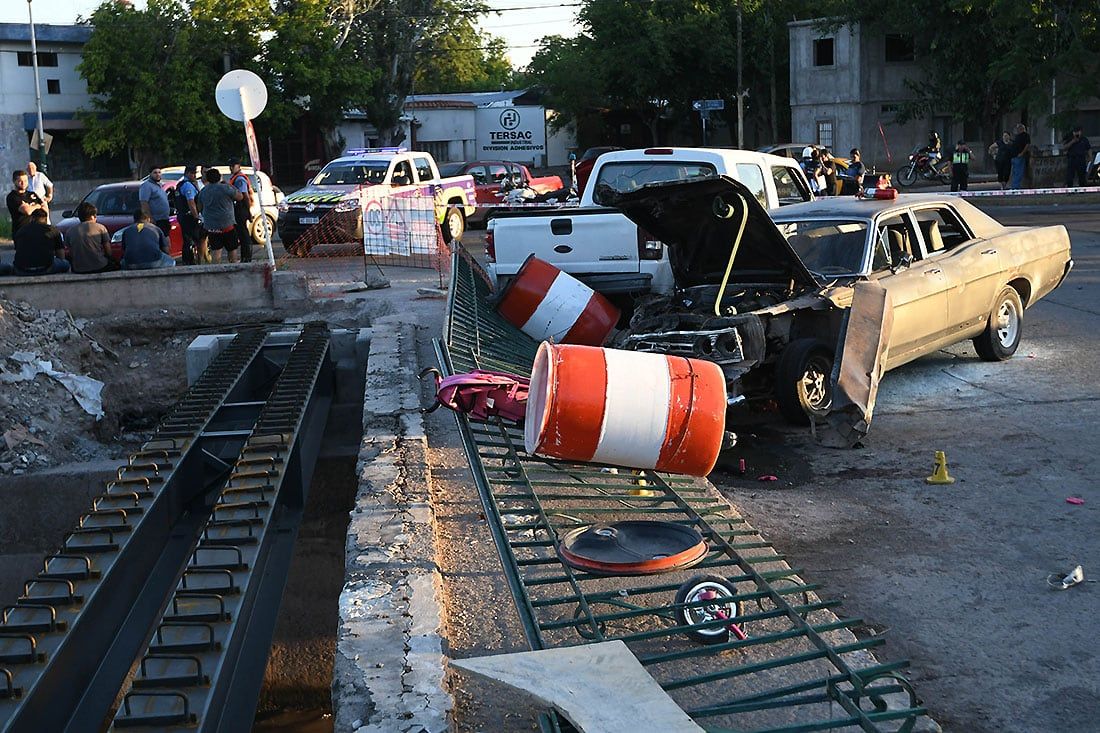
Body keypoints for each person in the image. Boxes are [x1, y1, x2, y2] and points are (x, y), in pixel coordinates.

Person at [195, 168, 243, 263]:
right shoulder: (226, 188)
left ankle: (216, 271)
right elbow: (240, 197)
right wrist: (228, 184)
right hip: (227, 224)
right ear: (219, 177)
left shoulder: (203, 191)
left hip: (211, 226)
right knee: (232, 249)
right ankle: (233, 268)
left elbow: (199, 208)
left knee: (216, 251)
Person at [7, 208, 69, 275]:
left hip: (22, 269)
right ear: (45, 219)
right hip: (46, 268)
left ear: (31, 218)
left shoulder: (21, 231)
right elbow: (61, 255)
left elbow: (19, 250)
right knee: (65, 264)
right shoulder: (52, 230)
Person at [68, 201, 116, 274]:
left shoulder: (70, 231)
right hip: (100, 266)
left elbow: (71, 252)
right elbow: (108, 252)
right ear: (92, 216)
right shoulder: (100, 228)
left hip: (78, 268)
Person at [176, 165, 204, 265]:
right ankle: (190, 261)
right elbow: (191, 203)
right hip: (189, 217)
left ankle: (188, 260)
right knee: (192, 239)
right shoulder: (187, 185)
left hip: (183, 215)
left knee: (187, 239)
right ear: (187, 173)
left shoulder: (180, 184)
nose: (194, 175)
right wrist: (197, 217)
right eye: (193, 173)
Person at [228, 159, 254, 263]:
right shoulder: (235, 178)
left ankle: (246, 258)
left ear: (238, 166)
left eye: (233, 165)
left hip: (241, 208)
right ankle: (245, 257)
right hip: (239, 208)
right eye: (230, 166)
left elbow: (245, 196)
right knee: (242, 234)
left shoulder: (239, 179)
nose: (231, 168)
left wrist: (248, 210)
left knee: (243, 234)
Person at [6, 169, 47, 235]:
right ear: (14, 181)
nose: (23, 183)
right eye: (20, 181)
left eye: (25, 180)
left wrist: (31, 206)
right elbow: (27, 211)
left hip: (37, 231)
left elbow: (45, 208)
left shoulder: (32, 194)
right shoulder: (12, 196)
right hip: (22, 233)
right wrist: (37, 206)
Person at [138, 165, 172, 237]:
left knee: (166, 242)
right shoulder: (146, 186)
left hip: (164, 219)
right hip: (156, 220)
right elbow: (144, 203)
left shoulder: (159, 186)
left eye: (159, 172)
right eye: (155, 173)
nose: (158, 175)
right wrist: (150, 218)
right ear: (150, 174)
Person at [1009, 124, 1031, 190]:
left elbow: (1027, 145)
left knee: (1018, 172)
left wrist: (1022, 153)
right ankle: (1014, 186)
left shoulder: (1025, 135)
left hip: (1019, 156)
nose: (1017, 130)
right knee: (1014, 172)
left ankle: (1015, 187)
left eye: (1018, 128)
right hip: (1014, 156)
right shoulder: (1017, 136)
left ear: (1021, 129)